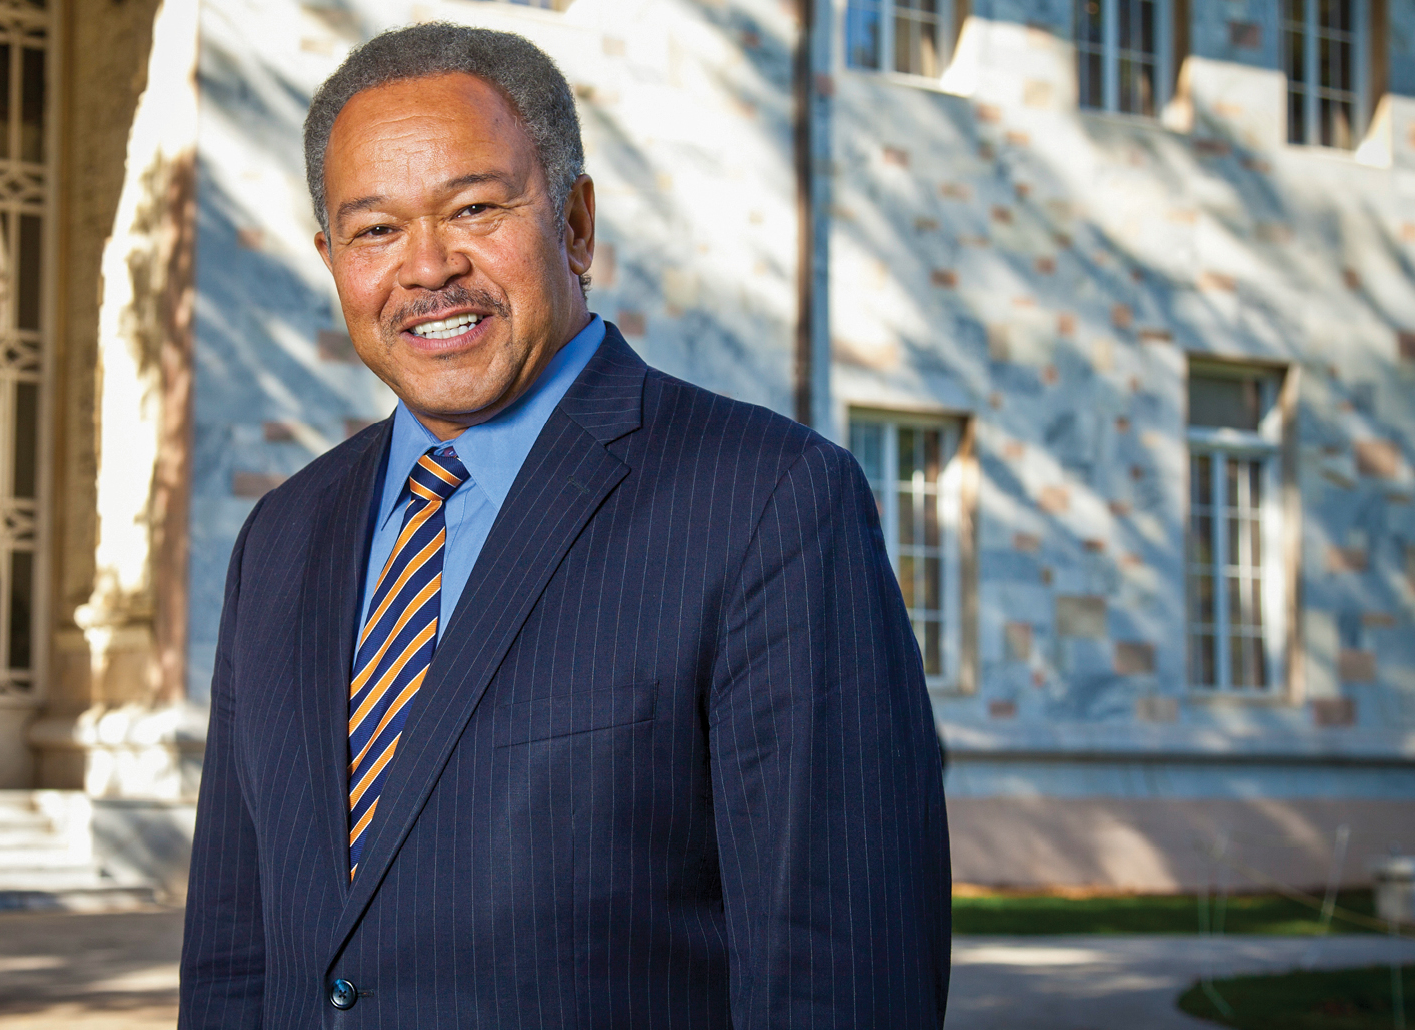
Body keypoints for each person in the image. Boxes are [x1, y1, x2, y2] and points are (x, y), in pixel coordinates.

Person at [180, 22, 950, 1029]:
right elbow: (237, 957)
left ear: (576, 225)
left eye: (474, 208)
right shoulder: (280, 537)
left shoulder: (770, 503)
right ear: (331, 260)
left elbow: (838, 974)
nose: (426, 268)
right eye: (373, 229)